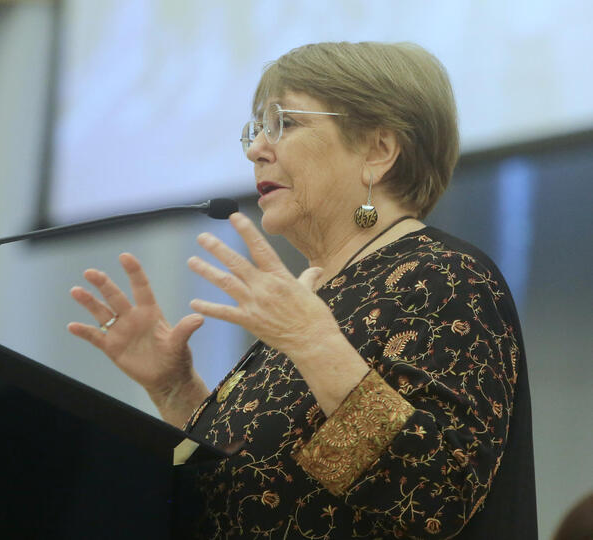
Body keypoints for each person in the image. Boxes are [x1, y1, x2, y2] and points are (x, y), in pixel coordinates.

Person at [68, 42, 536, 539]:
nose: (255, 150)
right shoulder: (313, 302)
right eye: (256, 130)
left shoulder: (444, 275)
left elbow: (435, 495)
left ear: (378, 151)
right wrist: (176, 391)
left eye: (284, 125)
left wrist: (313, 344)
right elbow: (251, 492)